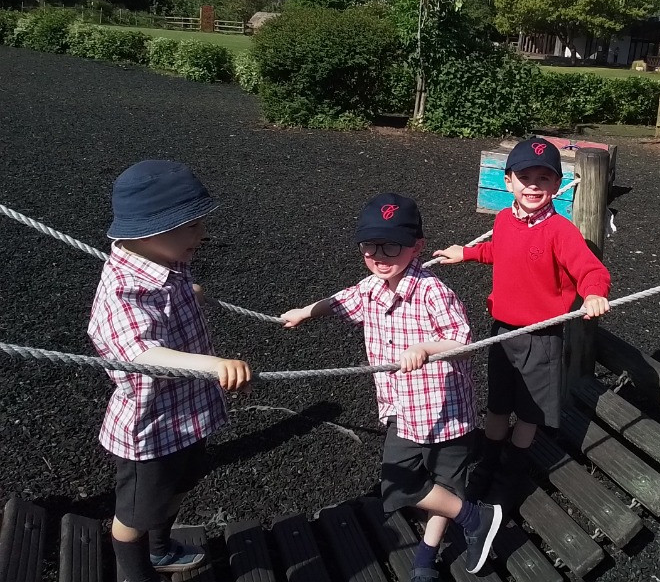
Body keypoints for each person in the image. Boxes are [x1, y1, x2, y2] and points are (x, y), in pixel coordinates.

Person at [280, 193, 502, 581]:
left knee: (440, 483)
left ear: (417, 247)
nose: (379, 255)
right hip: (403, 407)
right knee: (403, 482)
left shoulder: (433, 291)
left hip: (444, 410)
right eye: (370, 246)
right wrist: (305, 312)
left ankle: (426, 557)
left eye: (392, 245)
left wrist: (425, 348)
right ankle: (474, 519)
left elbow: (463, 343)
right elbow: (337, 301)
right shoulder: (369, 287)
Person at [88, 160, 252, 582]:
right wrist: (215, 364)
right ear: (150, 232)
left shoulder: (165, 262)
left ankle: (160, 550)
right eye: (191, 226)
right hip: (152, 428)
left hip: (185, 415)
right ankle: (135, 573)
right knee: (135, 513)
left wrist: (188, 291)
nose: (202, 234)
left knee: (178, 487)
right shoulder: (123, 290)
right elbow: (140, 354)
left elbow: (172, 292)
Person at [433, 137, 611, 496]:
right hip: (502, 332)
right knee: (498, 403)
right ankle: (491, 457)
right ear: (508, 181)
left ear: (557, 186)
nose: (533, 185)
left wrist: (594, 293)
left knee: (529, 411)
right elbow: (498, 251)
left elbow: (591, 270)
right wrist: (466, 253)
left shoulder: (560, 231)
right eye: (525, 176)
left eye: (544, 179)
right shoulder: (503, 219)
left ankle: (513, 466)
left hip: (541, 336)